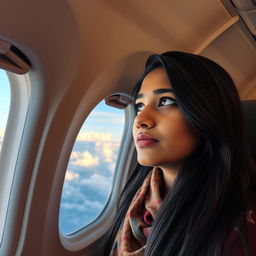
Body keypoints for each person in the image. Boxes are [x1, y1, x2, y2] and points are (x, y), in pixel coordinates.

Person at [103, 51, 256, 256]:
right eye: (139, 106)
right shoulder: (138, 198)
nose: (140, 120)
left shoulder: (238, 223)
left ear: (207, 112)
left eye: (165, 102)